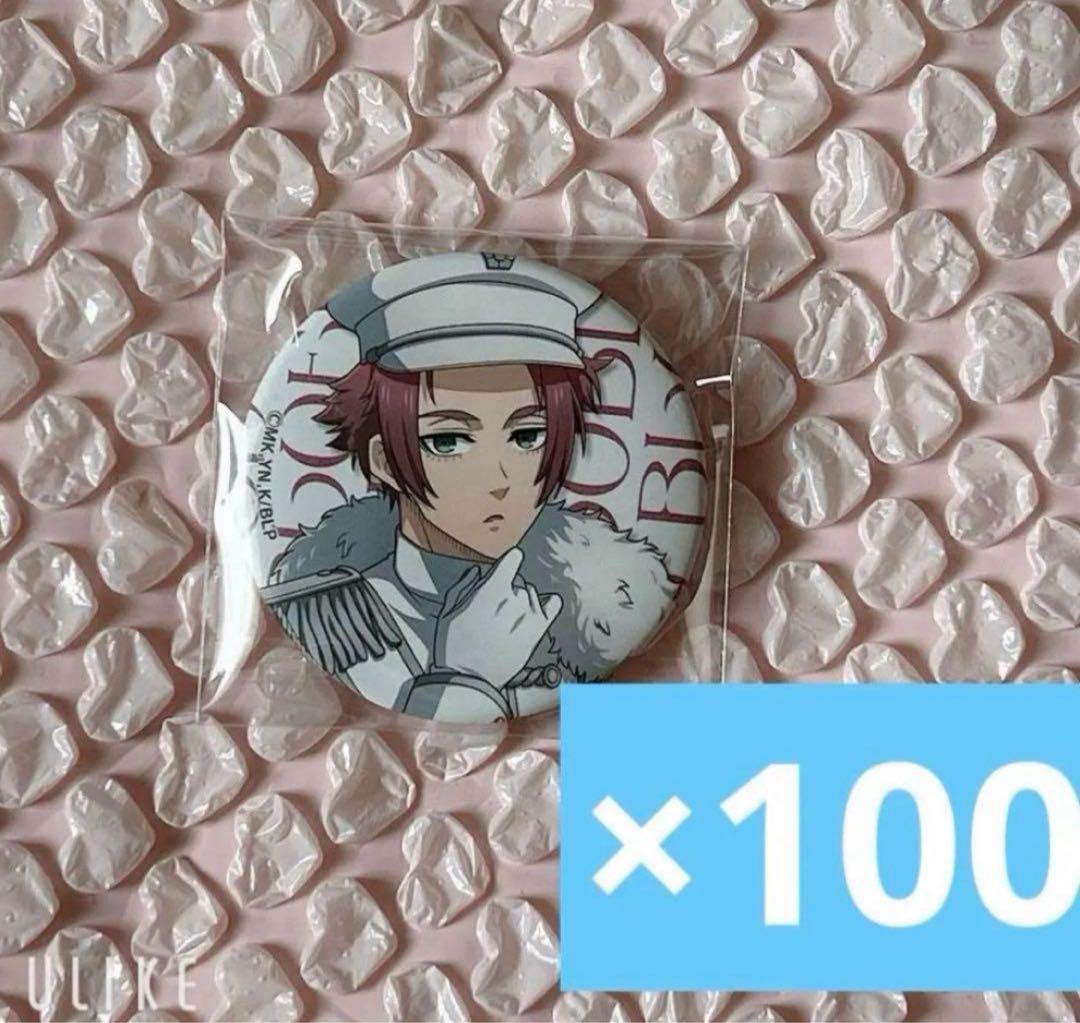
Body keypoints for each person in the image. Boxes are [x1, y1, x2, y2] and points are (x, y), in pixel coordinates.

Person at [261, 252, 674, 722]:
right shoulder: (331, 618)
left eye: (528, 436)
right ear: (385, 461)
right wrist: (465, 675)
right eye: (448, 441)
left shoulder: (590, 620)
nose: (499, 479)